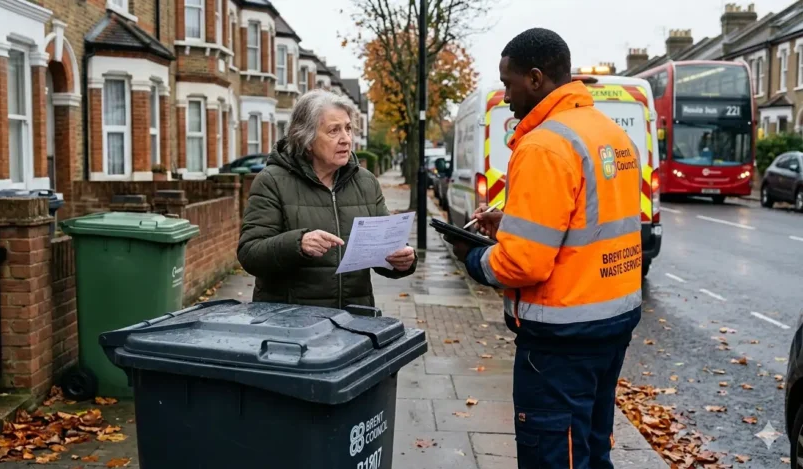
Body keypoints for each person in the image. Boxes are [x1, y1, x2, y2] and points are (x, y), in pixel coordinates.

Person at [444, 28, 643, 468]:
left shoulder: (543, 145)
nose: (506, 93)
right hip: (612, 323)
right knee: (592, 448)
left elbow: (522, 264)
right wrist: (509, 225)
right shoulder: (609, 133)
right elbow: (584, 225)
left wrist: (471, 257)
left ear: (535, 79)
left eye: (509, 82)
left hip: (561, 340)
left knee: (554, 455)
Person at [237, 89, 417, 309]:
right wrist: (298, 244)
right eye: (334, 131)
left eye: (348, 129)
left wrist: (402, 261)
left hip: (354, 321)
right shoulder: (272, 181)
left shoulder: (366, 182)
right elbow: (250, 254)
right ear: (307, 139)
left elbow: (382, 249)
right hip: (291, 324)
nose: (346, 139)